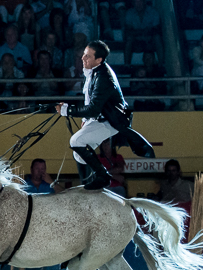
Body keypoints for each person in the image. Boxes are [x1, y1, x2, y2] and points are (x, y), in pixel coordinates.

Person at [56, 40, 155, 190]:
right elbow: (89, 99)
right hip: (99, 118)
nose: (83, 58)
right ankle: (93, 179)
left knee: (76, 141)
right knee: (78, 154)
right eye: (83, 54)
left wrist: (67, 110)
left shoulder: (104, 78)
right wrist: (85, 119)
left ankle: (102, 176)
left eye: (87, 56)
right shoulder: (93, 71)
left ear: (99, 60)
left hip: (111, 121)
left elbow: (94, 109)